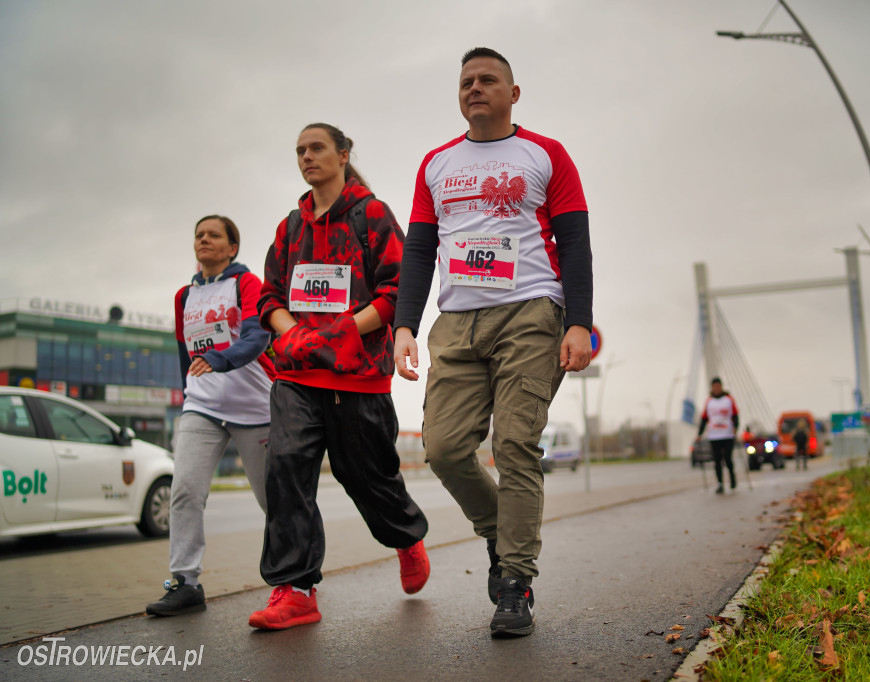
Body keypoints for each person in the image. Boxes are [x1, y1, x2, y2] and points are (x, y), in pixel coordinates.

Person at [393, 47, 593, 638]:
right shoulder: (436, 164)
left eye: (487, 80)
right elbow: (420, 251)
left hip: (530, 313)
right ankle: (500, 536)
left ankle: (515, 583)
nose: (475, 88)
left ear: (514, 92)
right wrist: (405, 325)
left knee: (514, 444)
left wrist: (579, 320)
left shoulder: (546, 155)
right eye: (466, 82)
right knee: (445, 449)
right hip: (456, 322)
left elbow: (575, 242)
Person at [249, 123, 429, 631]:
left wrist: (347, 331)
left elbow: (398, 289)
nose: (307, 157)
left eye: (317, 148)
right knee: (285, 470)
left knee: (367, 478)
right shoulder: (290, 227)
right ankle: (296, 590)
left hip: (358, 378)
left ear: (343, 155)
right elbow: (270, 296)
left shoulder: (371, 214)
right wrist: (291, 337)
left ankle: (406, 538)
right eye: (300, 151)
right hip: (297, 376)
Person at [146, 215, 275, 617]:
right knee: (185, 490)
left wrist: (219, 360)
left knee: (275, 499)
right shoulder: (184, 296)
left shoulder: (247, 284)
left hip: (254, 406)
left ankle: (296, 577)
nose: (204, 239)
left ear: (232, 247)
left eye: (214, 234)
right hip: (201, 406)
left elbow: (258, 338)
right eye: (199, 235)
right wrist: (191, 389)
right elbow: (187, 356)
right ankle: (184, 583)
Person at [697, 377, 739, 494]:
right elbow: (704, 419)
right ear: (712, 388)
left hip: (727, 434)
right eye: (714, 386)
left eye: (718, 386)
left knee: (727, 458)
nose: (716, 388)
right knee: (717, 460)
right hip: (714, 435)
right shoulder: (709, 401)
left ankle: (732, 478)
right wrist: (699, 434)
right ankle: (720, 483)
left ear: (721, 387)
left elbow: (735, 415)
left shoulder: (728, 399)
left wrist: (736, 427)